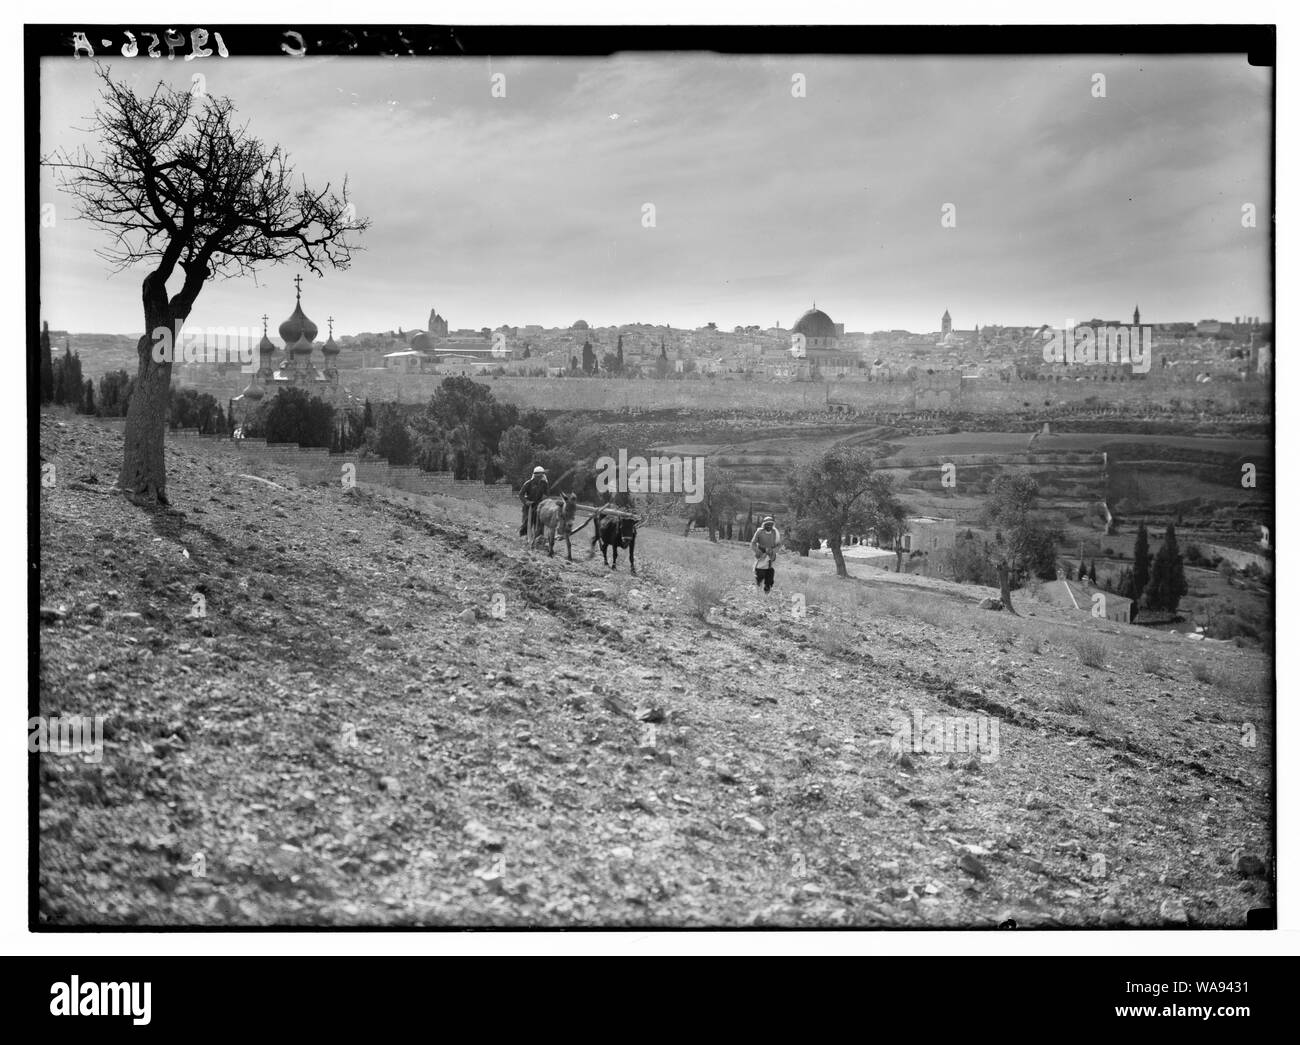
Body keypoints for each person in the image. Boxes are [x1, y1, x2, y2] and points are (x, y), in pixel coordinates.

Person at [750, 515, 781, 593]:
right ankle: (758, 587)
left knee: (770, 573)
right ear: (764, 524)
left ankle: (767, 590)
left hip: (770, 556)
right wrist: (758, 552)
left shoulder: (775, 532)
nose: (769, 526)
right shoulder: (759, 532)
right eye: (767, 524)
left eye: (770, 524)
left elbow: (778, 545)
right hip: (761, 554)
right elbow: (753, 543)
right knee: (760, 573)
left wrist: (773, 551)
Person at [519, 465, 549, 537]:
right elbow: (521, 494)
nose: (539, 478)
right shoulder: (528, 483)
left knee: (540, 524)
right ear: (534, 475)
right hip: (528, 506)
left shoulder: (544, 484)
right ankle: (525, 538)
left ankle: (539, 539)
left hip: (539, 506)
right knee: (527, 523)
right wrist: (527, 502)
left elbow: (547, 494)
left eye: (541, 476)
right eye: (537, 476)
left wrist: (544, 499)